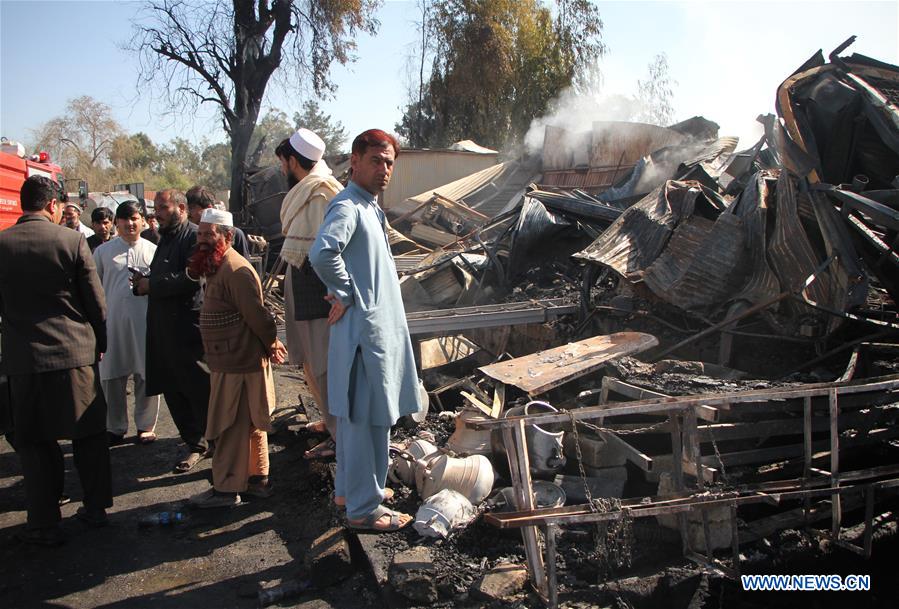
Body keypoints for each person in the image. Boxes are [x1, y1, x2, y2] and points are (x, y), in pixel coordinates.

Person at [309, 129, 422, 532]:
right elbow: (322, 253)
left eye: (389, 162)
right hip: (364, 336)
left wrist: (348, 290)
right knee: (363, 419)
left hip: (374, 334)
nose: (384, 169)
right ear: (354, 161)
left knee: (366, 417)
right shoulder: (348, 206)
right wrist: (345, 292)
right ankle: (363, 509)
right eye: (376, 160)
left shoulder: (369, 207)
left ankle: (350, 490)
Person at [0, 176, 112, 545]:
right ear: (52, 205)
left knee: (35, 443)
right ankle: (95, 509)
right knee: (89, 436)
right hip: (74, 355)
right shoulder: (71, 240)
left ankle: (44, 521)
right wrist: (101, 342)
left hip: (24, 360)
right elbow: (95, 302)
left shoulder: (2, 245)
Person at [187, 208, 286, 508]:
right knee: (248, 424)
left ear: (228, 236)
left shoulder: (236, 269)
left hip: (240, 363)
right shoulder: (217, 266)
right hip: (230, 361)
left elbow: (258, 316)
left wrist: (272, 342)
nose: (202, 240)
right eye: (200, 234)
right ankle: (257, 480)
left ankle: (226, 490)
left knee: (230, 426)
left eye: (209, 234)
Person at [276, 129, 344, 460]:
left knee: (325, 367)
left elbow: (328, 253)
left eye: (282, 163)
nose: (281, 170)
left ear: (293, 161)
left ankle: (340, 437)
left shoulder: (322, 193)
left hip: (320, 294)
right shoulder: (305, 191)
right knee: (309, 363)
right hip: (302, 286)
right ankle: (330, 424)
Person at [132, 189, 211, 473]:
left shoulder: (193, 237)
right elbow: (165, 274)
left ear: (181, 208)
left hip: (186, 329)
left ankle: (209, 443)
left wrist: (152, 285)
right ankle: (194, 442)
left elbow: (192, 277)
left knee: (197, 388)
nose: (158, 213)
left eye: (163, 207)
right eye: (156, 208)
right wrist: (144, 281)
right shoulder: (164, 237)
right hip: (162, 328)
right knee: (172, 388)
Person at [93, 201, 160, 446]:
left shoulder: (154, 251)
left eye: (135, 218)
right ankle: (115, 426)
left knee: (147, 375)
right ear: (117, 223)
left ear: (142, 220)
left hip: (146, 324)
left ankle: (146, 426)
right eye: (125, 219)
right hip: (112, 325)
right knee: (111, 377)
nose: (130, 223)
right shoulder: (102, 252)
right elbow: (94, 288)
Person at [185, 186, 251, 258]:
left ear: (208, 208)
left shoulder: (236, 234)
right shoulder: (186, 234)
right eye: (199, 234)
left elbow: (243, 262)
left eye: (191, 208)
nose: (188, 213)